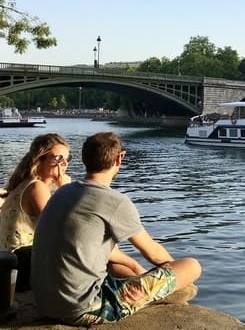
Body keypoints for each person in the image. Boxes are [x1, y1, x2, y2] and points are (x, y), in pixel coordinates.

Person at [32, 132, 201, 325]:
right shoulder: (115, 201)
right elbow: (153, 253)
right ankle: (166, 295)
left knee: (117, 266)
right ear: (120, 158)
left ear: (84, 159)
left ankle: (163, 293)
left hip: (45, 302)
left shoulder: (63, 191)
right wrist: (177, 275)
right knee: (192, 266)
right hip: (83, 308)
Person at [0, 133, 72, 291]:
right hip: (20, 264)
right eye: (58, 159)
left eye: (67, 158)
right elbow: (60, 229)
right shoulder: (36, 188)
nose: (65, 163)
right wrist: (65, 190)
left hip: (12, 263)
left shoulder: (26, 184)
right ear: (39, 160)